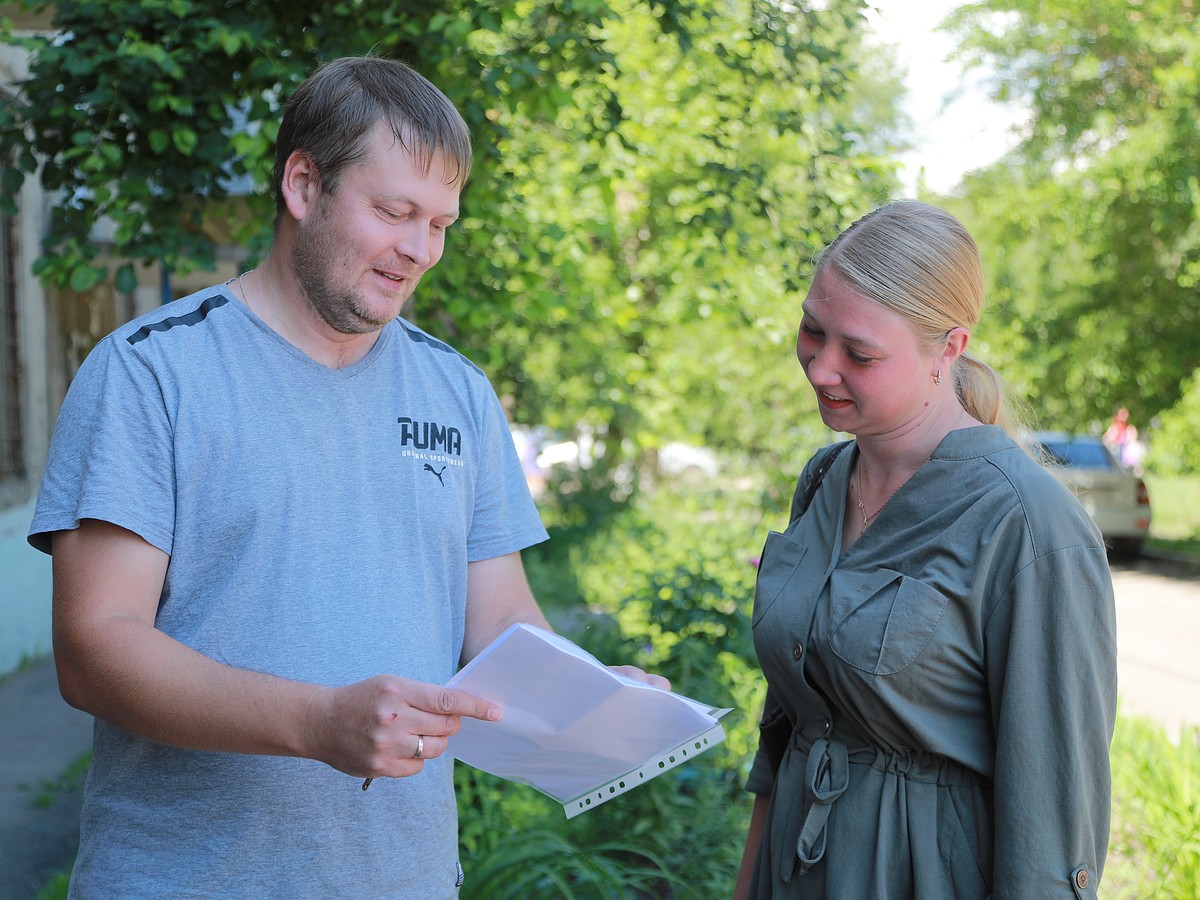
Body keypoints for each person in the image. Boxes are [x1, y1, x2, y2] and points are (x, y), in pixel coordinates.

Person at [28, 56, 665, 898]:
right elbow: (96, 650)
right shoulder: (153, 373)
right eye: (395, 212)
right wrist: (317, 723)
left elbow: (502, 622)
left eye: (440, 223)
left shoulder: (459, 393)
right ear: (303, 185)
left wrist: (585, 696)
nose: (419, 251)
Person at [734, 201, 1116, 899]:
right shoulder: (824, 479)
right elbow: (786, 730)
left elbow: (1054, 824)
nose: (820, 368)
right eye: (812, 331)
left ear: (949, 347)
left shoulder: (1028, 523)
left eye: (859, 352)